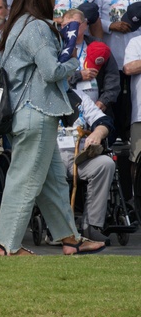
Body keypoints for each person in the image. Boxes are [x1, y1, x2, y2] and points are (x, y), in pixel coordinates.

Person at [0, 0, 105, 256]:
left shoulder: (16, 25)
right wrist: (74, 62)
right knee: (25, 180)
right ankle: (8, 245)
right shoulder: (38, 28)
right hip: (37, 113)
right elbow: (52, 71)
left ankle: (71, 239)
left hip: (25, 114)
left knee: (53, 181)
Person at [57, 92, 116, 244]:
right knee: (53, 169)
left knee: (105, 164)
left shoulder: (79, 97)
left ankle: (91, 226)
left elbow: (104, 121)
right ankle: (57, 227)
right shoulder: (42, 93)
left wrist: (98, 133)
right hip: (53, 155)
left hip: (80, 156)